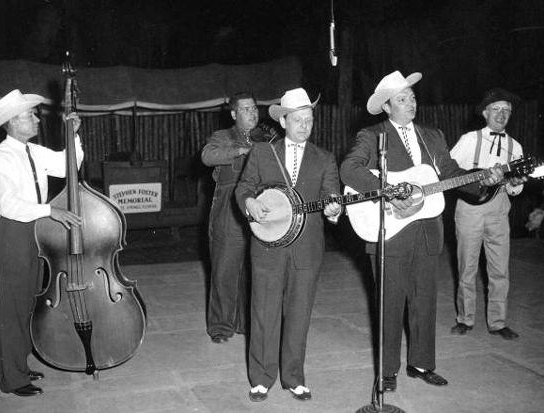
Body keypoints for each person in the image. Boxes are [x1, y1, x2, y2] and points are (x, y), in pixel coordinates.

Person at [340, 71, 502, 392]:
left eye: (412, 97)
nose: (411, 103)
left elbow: (451, 173)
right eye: (402, 99)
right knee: (389, 302)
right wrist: (389, 189)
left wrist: (482, 177)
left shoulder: (433, 135)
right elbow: (349, 169)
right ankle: (386, 372)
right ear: (386, 106)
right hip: (389, 230)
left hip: (428, 229)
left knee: (425, 300)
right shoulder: (372, 135)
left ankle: (422, 363)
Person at [235, 87, 341, 402]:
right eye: (298, 120)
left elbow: (331, 192)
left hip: (307, 248)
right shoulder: (262, 152)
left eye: (309, 120)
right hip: (268, 245)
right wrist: (250, 203)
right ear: (284, 121)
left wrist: (334, 208)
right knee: (263, 311)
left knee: (299, 313)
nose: (304, 126)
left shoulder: (325, 158)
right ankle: (261, 378)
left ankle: (293, 377)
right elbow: (243, 188)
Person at [0, 89, 83, 397]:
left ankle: (20, 364)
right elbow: (8, 205)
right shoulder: (1, 158)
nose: (35, 119)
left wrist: (72, 135)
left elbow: (66, 166)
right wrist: (51, 210)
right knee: (13, 307)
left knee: (29, 302)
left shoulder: (32, 152)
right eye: (29, 116)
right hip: (13, 233)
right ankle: (12, 378)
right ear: (11, 123)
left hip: (34, 232)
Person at [450, 88, 525, 340]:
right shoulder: (469, 140)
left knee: (500, 269)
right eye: (496, 109)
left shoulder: (516, 147)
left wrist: (516, 181)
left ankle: (498, 322)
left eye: (506, 110)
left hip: (499, 211)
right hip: (470, 210)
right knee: (467, 268)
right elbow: (449, 173)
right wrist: (478, 178)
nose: (501, 114)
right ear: (485, 113)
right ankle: (465, 318)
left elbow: (516, 188)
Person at [201, 91, 269, 344]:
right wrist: (241, 150)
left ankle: (244, 323)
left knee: (253, 267)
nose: (252, 113)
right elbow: (208, 156)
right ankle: (220, 326)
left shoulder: (266, 137)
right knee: (224, 268)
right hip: (229, 206)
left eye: (254, 108)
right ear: (233, 114)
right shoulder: (222, 137)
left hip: (259, 204)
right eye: (246, 109)